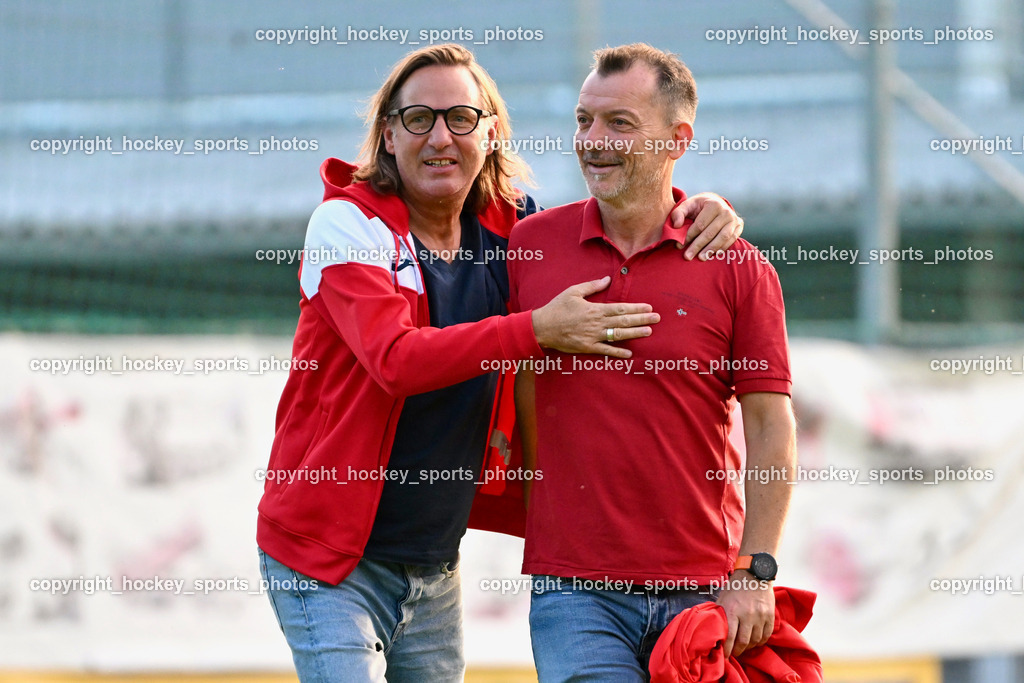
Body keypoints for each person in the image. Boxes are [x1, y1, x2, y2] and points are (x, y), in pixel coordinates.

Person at [256, 43, 744, 682]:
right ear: (388, 135)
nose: (440, 138)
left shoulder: (517, 232)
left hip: (434, 564)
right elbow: (396, 360)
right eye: (417, 119)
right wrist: (535, 329)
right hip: (328, 558)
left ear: (490, 134)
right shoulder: (345, 225)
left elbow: (617, 223)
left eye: (461, 118)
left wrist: (695, 208)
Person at [508, 43, 797, 682]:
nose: (593, 141)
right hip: (573, 590)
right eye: (584, 120)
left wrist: (756, 571)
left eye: (620, 124)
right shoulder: (527, 246)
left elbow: (770, 425)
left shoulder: (738, 267)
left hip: (706, 589)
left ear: (677, 139)